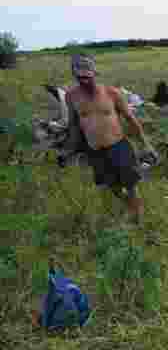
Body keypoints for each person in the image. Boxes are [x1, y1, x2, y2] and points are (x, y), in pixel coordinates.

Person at [59, 53, 157, 224]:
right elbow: (74, 125)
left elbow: (131, 119)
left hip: (119, 146)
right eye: (80, 77)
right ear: (75, 75)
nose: (84, 80)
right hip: (95, 151)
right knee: (112, 187)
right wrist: (68, 151)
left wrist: (147, 145)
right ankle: (132, 207)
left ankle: (139, 220)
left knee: (131, 185)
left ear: (94, 73)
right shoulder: (71, 96)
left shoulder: (112, 93)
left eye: (87, 76)